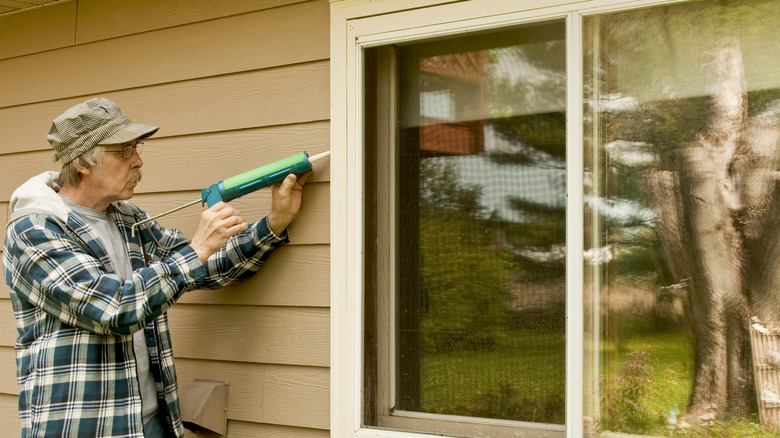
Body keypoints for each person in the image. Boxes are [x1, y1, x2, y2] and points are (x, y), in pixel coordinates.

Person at [2, 98, 309, 437]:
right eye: (123, 151)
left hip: (148, 422)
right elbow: (114, 310)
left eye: (136, 147)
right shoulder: (36, 230)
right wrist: (196, 249)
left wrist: (275, 222)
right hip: (84, 425)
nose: (138, 160)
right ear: (82, 162)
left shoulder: (128, 219)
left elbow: (206, 267)